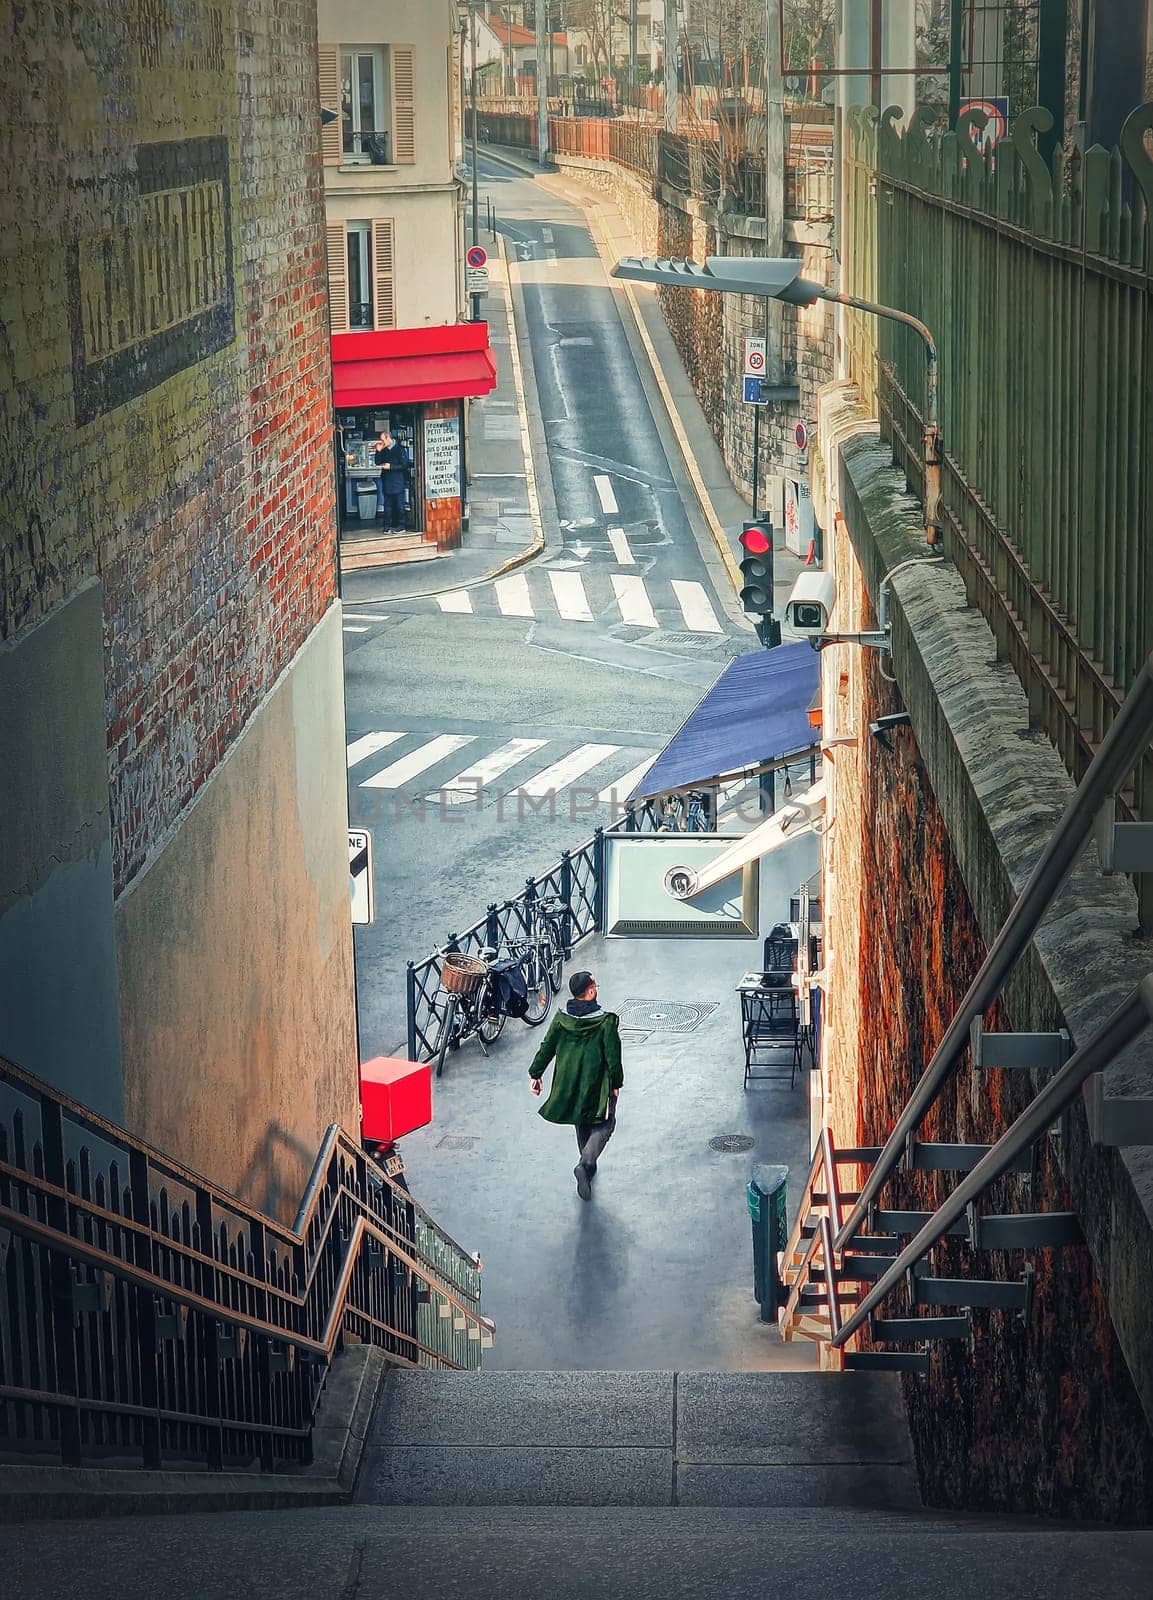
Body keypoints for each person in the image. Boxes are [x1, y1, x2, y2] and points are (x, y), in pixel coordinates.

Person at [528, 970, 622, 1201]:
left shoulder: (561, 1019)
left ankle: (587, 1168)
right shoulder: (605, 1022)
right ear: (590, 992)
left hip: (569, 1080)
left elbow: (547, 1046)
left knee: (582, 1119)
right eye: (595, 986)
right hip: (597, 1082)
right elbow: (613, 1055)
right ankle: (586, 1162)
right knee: (606, 1123)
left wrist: (535, 1073)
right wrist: (616, 1083)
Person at [374, 429, 410, 531]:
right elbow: (377, 462)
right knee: (387, 505)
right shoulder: (383, 450)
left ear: (388, 438)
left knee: (399, 505)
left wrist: (391, 467)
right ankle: (386, 526)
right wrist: (378, 451)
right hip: (386, 481)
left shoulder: (400, 449)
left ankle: (401, 526)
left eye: (383, 440)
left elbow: (404, 465)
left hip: (398, 481)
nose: (381, 442)